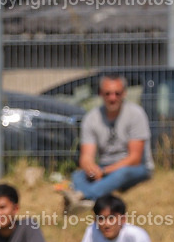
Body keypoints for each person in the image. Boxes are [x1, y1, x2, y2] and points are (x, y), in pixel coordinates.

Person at [63, 74, 153, 205]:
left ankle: (83, 195)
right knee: (78, 175)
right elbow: (86, 157)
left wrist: (105, 172)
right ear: (100, 94)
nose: (113, 98)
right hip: (104, 167)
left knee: (122, 173)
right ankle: (91, 195)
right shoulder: (91, 118)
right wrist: (91, 169)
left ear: (124, 93)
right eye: (108, 93)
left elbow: (134, 159)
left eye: (117, 93)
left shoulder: (136, 114)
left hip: (133, 168)